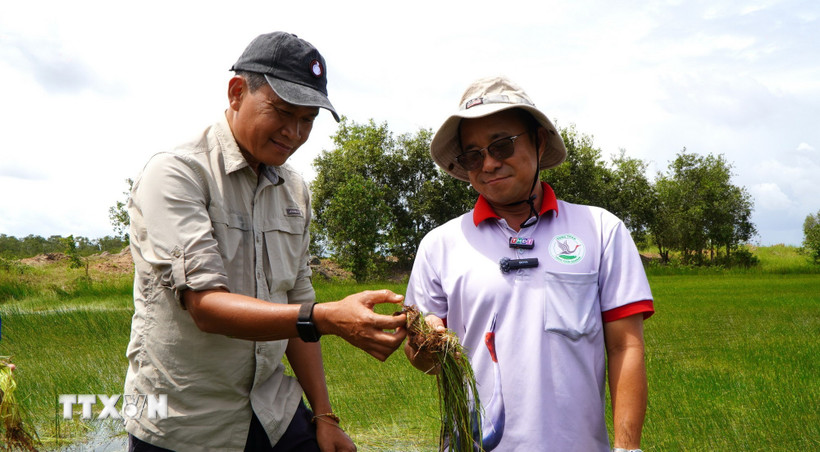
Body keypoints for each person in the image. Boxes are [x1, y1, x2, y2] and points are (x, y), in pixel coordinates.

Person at [123, 32, 407, 452]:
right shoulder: (179, 173)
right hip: (186, 422)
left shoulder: (294, 190)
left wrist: (325, 416)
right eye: (283, 111)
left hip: (273, 410)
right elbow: (207, 307)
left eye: (307, 119)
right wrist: (327, 317)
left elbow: (296, 299)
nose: (294, 132)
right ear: (237, 92)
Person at [404, 76, 654, 452]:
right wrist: (427, 342)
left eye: (501, 145)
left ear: (538, 141)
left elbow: (625, 347)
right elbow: (425, 363)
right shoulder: (440, 246)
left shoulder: (601, 231)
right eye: (473, 155)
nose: (488, 163)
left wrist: (627, 449)